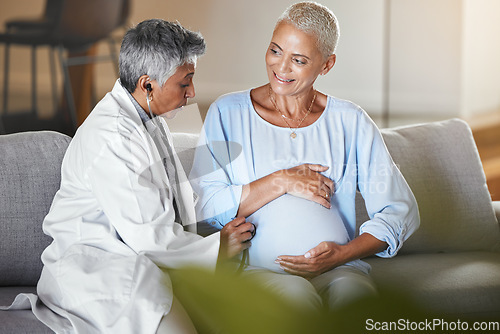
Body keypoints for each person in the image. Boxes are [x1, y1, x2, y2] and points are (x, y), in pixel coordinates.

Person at [3, 19, 255, 333]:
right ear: (148, 84)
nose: (193, 92)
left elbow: (174, 202)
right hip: (97, 268)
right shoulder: (113, 137)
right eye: (185, 81)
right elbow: (150, 237)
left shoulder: (147, 115)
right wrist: (218, 247)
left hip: (137, 259)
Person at [190, 1, 420, 311]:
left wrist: (342, 255)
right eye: (275, 51)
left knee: (358, 308)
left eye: (298, 60)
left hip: (341, 271)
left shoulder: (349, 121)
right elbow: (205, 202)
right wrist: (282, 180)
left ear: (327, 65)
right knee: (296, 310)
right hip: (262, 273)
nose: (281, 68)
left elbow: (399, 211)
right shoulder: (228, 113)